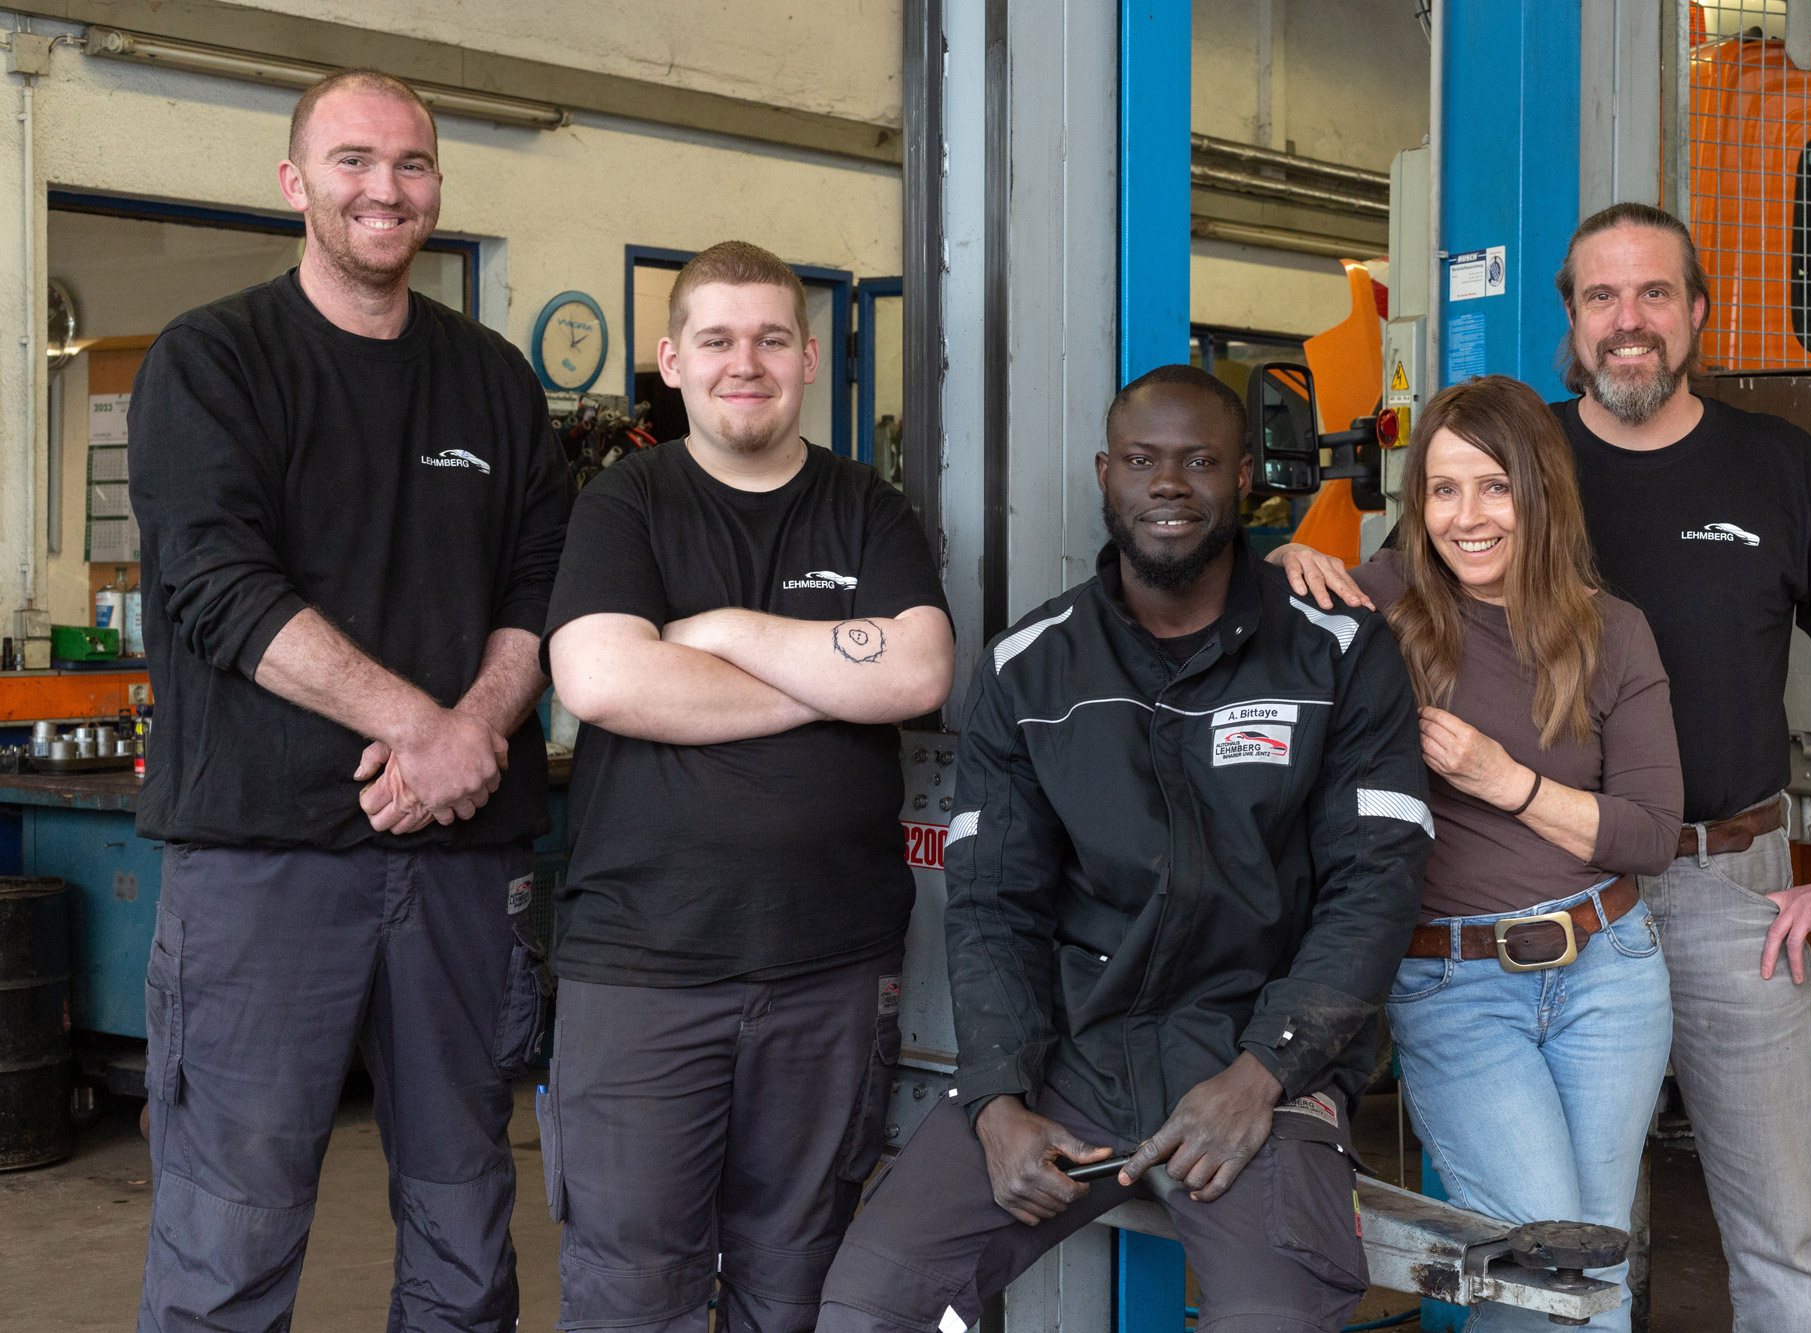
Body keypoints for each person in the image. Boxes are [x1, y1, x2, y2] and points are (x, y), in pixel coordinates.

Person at [1274, 204, 1811, 1333]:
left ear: (1695, 312)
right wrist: (1300, 554)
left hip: (1733, 895)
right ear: (1569, 324)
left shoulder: (1776, 465)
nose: (1627, 323)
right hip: (1546, 899)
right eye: (1599, 299)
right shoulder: (1513, 458)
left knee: (1776, 1228)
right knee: (1580, 1240)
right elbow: (1395, 588)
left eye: (1652, 296)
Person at [814, 364, 1434, 1332]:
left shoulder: (1337, 651)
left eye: (1199, 461)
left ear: (1242, 482)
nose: (1168, 484)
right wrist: (995, 1098)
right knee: (866, 1305)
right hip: (1073, 1055)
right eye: (1142, 460)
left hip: (1253, 1060)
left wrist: (1264, 1074)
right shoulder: (1029, 669)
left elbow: (1376, 883)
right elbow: (991, 906)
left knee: (1272, 1317)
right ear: (1105, 474)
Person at [127, 70, 570, 1332]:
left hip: (460, 867)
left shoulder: (492, 380)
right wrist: (421, 730)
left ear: (438, 186)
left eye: (413, 164)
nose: (386, 187)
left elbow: (543, 582)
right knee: (230, 1234)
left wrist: (476, 728)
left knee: (465, 1227)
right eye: (354, 160)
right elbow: (216, 585)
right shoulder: (214, 361)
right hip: (264, 867)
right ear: (294, 183)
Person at [540, 241, 954, 1333]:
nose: (746, 361)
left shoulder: (867, 506)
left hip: (829, 969)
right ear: (671, 359)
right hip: (643, 969)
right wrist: (827, 676)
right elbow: (600, 676)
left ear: (808, 356)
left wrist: (721, 635)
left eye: (771, 337)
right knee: (633, 1293)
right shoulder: (622, 505)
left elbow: (917, 671)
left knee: (800, 1282)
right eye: (716, 339)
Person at [1346, 375, 1682, 1331]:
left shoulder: (1611, 631)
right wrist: (1291, 553)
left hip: (1610, 972)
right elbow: (1261, 610)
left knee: (1588, 1263)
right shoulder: (1384, 608)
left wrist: (1506, 781)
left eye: (1494, 486)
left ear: (1542, 491)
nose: (1468, 516)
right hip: (1455, 987)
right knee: (1547, 1261)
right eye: (1442, 490)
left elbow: (1652, 832)